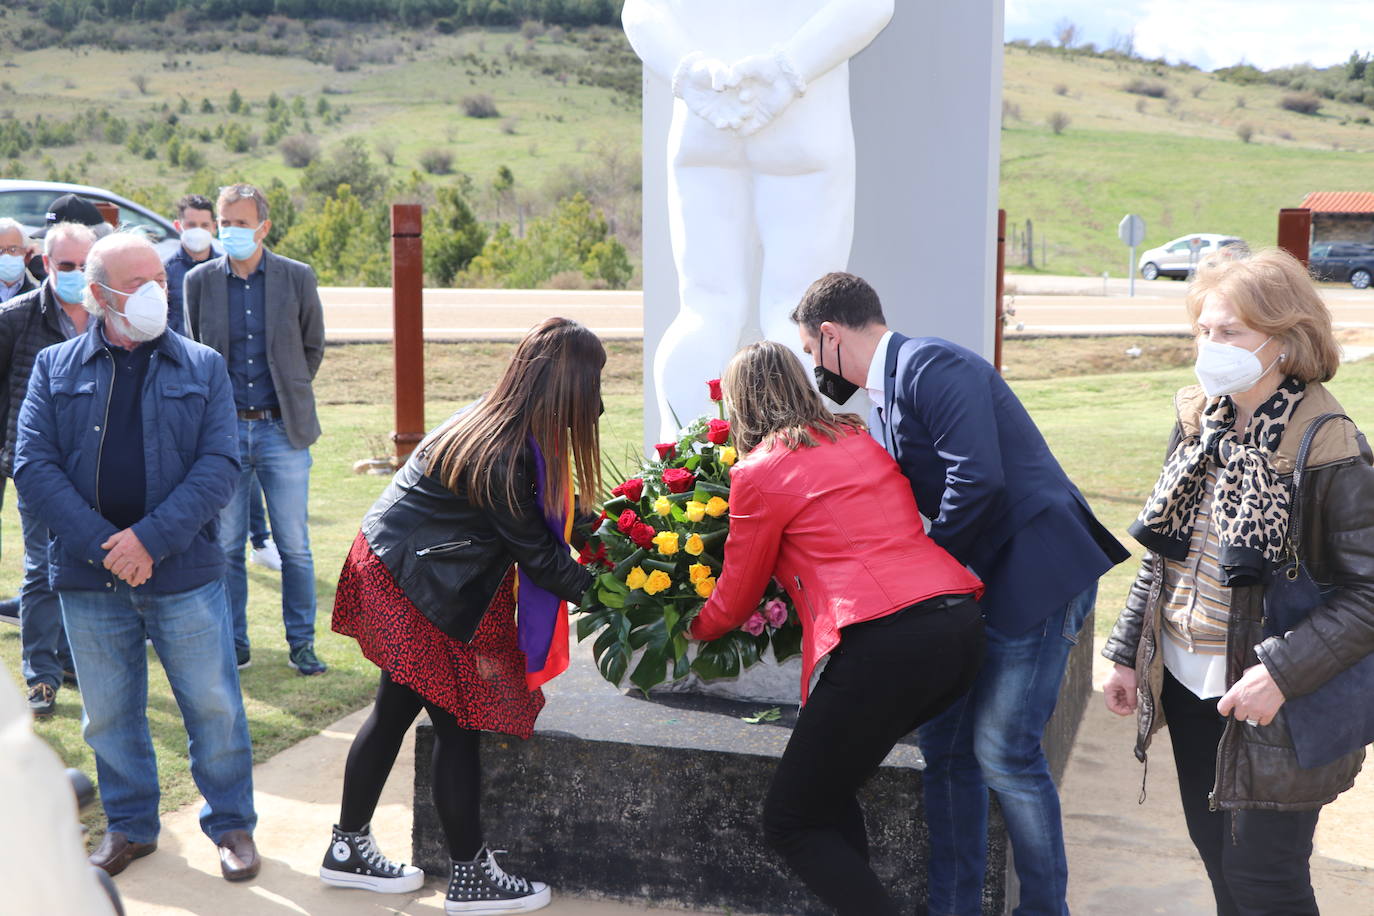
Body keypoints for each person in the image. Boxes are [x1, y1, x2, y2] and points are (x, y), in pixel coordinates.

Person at [790, 272, 1130, 916]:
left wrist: (928, 569)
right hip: (978, 590)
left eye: (811, 352)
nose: (815, 368)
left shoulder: (930, 365)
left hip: (1034, 578)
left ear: (831, 335)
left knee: (1005, 754)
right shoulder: (888, 399)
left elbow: (977, 481)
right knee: (946, 749)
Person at [1102, 248, 1374, 916]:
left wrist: (1280, 672)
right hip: (1192, 681)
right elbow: (1162, 552)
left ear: (1285, 341)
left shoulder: (1328, 442)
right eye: (1205, 330)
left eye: (1232, 333)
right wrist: (1126, 651)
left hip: (1275, 698)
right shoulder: (1202, 420)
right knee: (1218, 858)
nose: (1212, 346)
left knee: (1265, 881)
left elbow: (1367, 594)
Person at [690, 340, 985, 915]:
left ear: (740, 403)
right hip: (958, 625)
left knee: (791, 821)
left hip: (887, 642)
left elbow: (738, 591)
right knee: (828, 790)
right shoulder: (857, 440)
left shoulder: (758, 470)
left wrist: (693, 629)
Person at [322, 317, 602, 914]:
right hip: (412, 583)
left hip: (398, 566)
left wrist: (610, 530)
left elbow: (549, 520)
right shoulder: (503, 454)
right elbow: (545, 560)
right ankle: (471, 879)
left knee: (395, 710)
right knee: (455, 722)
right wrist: (618, 596)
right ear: (565, 389)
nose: (598, 405)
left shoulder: (503, 420)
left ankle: (347, 850)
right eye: (593, 387)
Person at [13, 232, 259, 881]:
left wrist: (148, 540)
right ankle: (129, 827)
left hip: (182, 571)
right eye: (137, 282)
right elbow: (32, 466)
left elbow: (219, 466)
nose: (156, 292)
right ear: (97, 296)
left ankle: (231, 824)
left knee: (212, 705)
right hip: (89, 580)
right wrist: (108, 549)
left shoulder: (202, 366)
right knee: (109, 714)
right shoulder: (54, 367)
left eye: (160, 277)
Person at [622, 0, 895, 435]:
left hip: (705, 119)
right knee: (800, 309)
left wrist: (688, 72)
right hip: (801, 122)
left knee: (705, 307)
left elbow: (640, 11)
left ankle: (683, 469)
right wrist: (789, 70)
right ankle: (799, 467)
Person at [185, 182, 326, 674]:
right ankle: (235, 644)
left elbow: (312, 347)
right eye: (224, 222)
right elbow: (193, 355)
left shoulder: (296, 277)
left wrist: (287, 392)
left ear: (263, 227)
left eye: (240, 223)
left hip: (281, 431)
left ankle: (302, 644)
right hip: (222, 436)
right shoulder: (199, 282)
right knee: (225, 547)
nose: (230, 231)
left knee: (294, 546)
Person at [0, 221, 97, 716]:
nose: (77, 274)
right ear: (45, 264)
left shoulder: (111, 316)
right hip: (38, 466)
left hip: (96, 466)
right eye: (67, 266)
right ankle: (41, 675)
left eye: (86, 265)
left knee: (88, 565)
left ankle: (71, 658)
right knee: (41, 570)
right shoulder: (15, 318)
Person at [164, 193, 217, 336]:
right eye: (191, 225)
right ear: (178, 226)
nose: (198, 231)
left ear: (214, 227)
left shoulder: (227, 269)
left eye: (204, 225)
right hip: (181, 353)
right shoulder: (164, 273)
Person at [0, 217, 38, 304]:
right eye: (0, 251)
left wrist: (39, 266)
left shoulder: (38, 295)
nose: (6, 256)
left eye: (13, 249)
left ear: (26, 251)